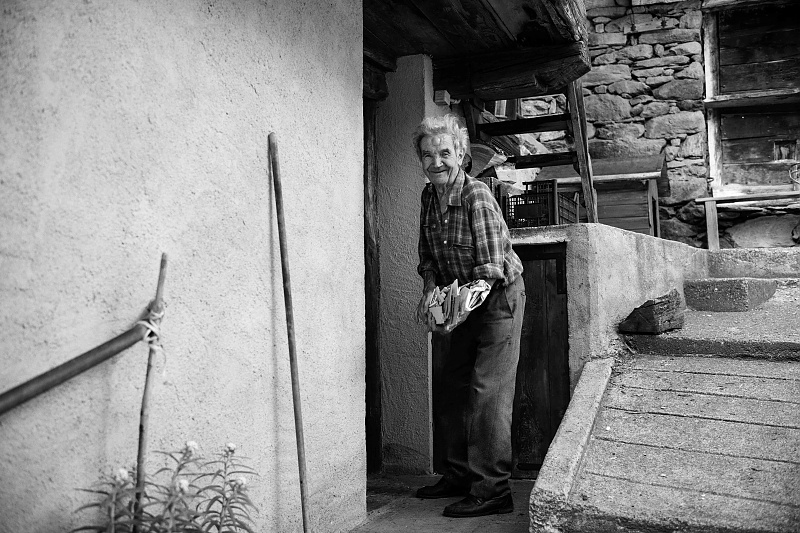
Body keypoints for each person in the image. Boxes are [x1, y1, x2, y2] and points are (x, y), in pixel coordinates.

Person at [412, 114, 526, 518]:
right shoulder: (429, 197)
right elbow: (429, 258)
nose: (436, 162)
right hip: (461, 298)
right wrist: (431, 295)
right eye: (428, 155)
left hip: (498, 298)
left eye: (445, 153)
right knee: (451, 386)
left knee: (486, 390)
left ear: (461, 154)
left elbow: (491, 269)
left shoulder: (477, 194)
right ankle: (459, 475)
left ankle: (493, 490)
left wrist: (458, 312)